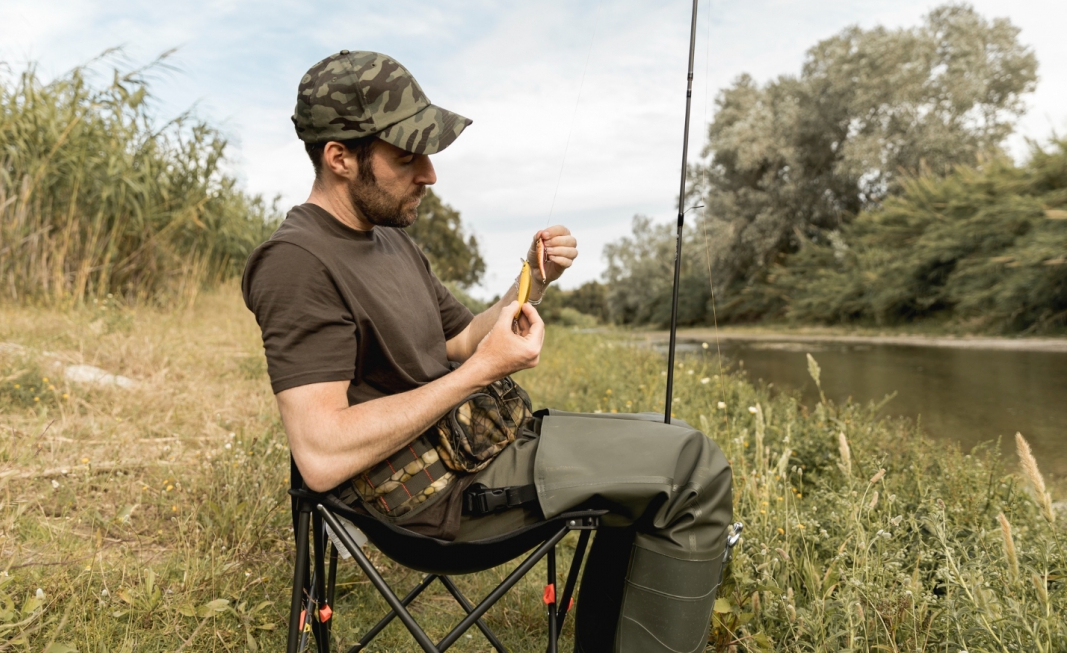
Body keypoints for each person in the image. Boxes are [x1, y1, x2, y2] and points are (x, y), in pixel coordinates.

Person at [242, 50, 732, 653]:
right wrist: (479, 374)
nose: (430, 173)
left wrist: (532, 279)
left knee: (670, 441)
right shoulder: (296, 263)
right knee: (693, 468)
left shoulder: (389, 239)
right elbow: (320, 451)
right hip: (433, 500)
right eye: (406, 156)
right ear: (340, 157)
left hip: (480, 448)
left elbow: (458, 339)